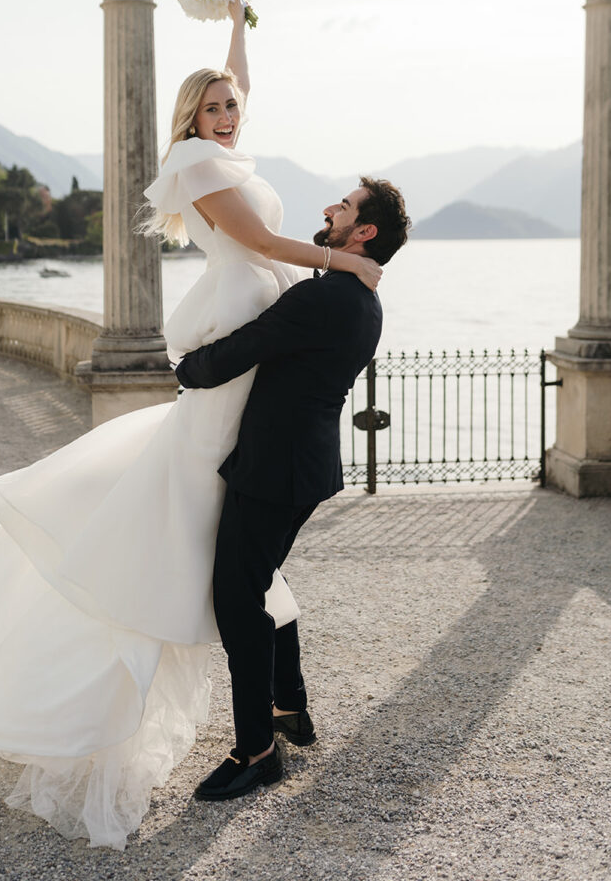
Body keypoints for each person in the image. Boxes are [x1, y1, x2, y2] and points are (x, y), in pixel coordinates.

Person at [0, 0, 381, 850]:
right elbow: (262, 240)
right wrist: (343, 259)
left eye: (232, 104)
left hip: (260, 328)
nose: (228, 111)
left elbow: (239, 81)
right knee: (215, 534)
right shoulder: (200, 165)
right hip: (243, 314)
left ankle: (278, 711)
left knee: (241, 554)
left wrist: (240, 21)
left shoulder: (225, 147)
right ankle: (252, 707)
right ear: (190, 118)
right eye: (212, 106)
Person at [176, 176, 411, 801]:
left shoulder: (328, 296)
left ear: (363, 233)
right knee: (261, 581)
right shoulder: (361, 298)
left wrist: (184, 367)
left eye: (345, 207)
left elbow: (243, 350)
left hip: (274, 469)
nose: (330, 208)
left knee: (235, 598)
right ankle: (290, 706)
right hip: (304, 466)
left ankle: (256, 752)